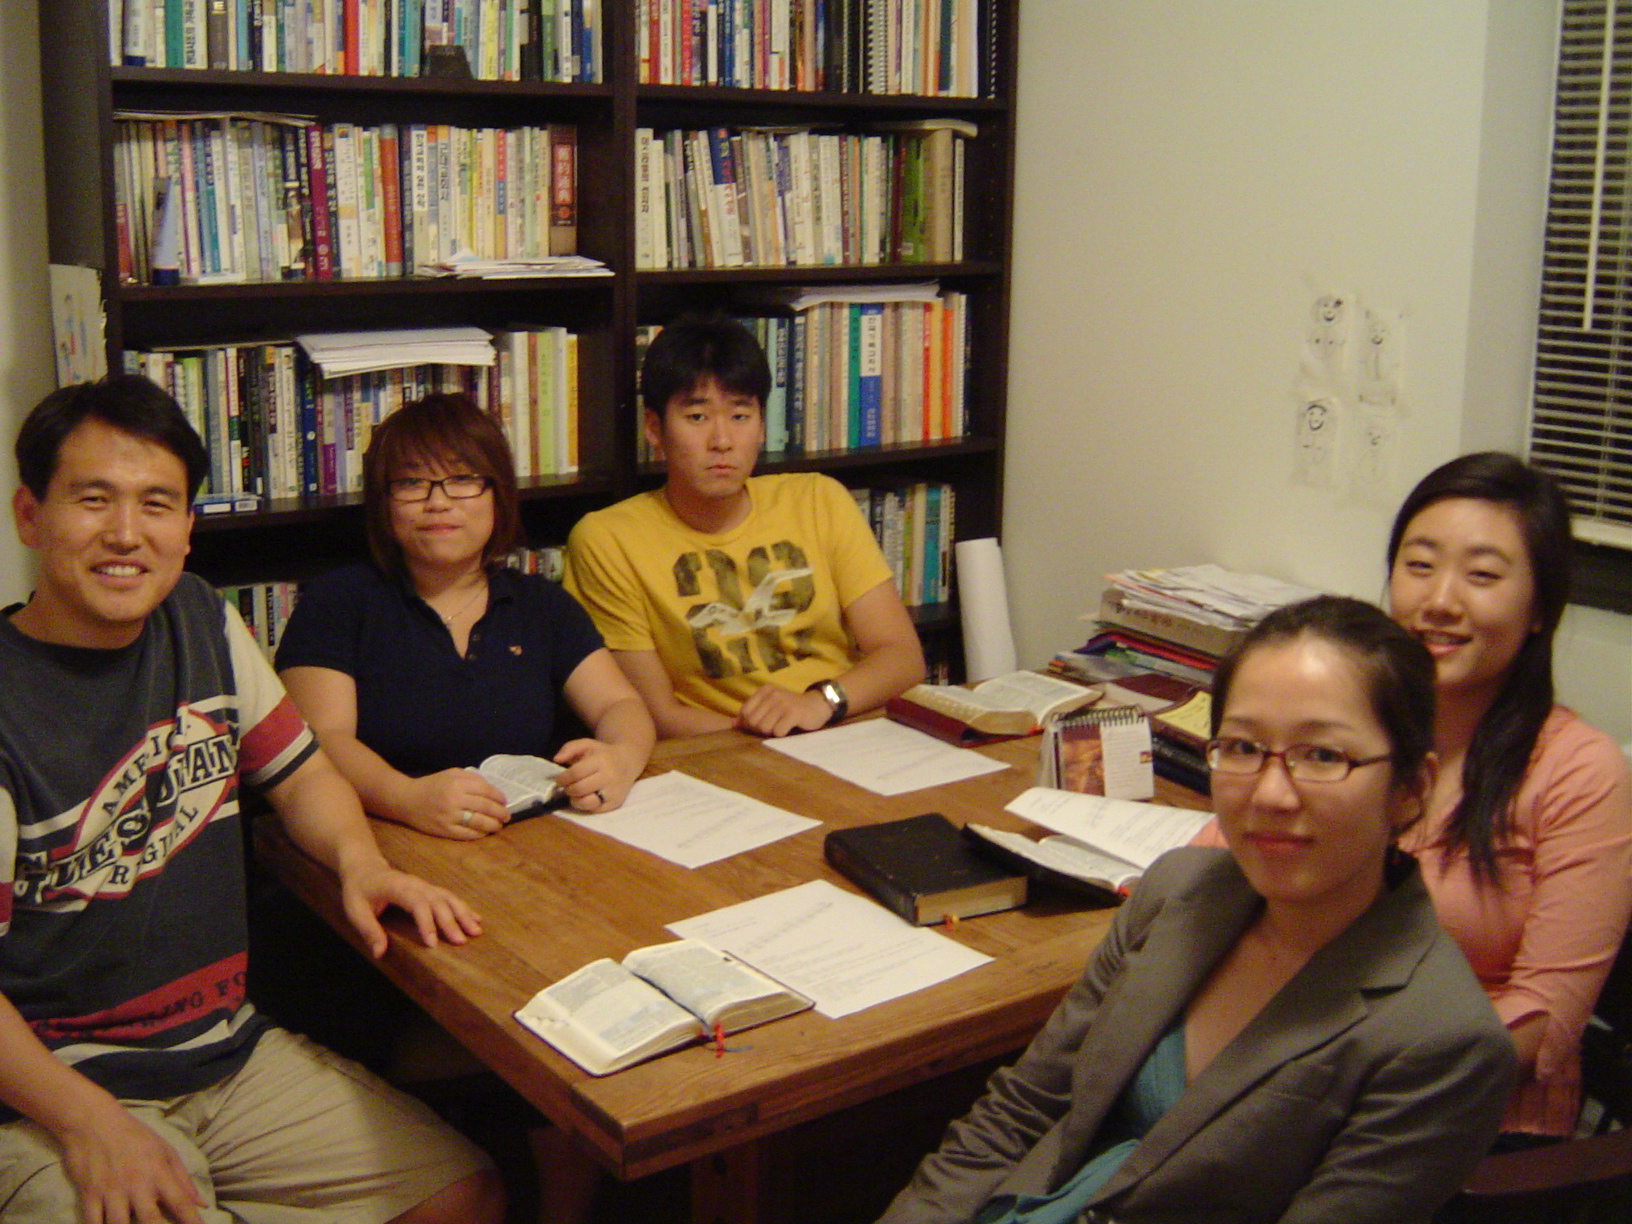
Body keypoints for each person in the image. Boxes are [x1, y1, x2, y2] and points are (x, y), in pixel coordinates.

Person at [0, 375, 504, 1224]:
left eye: (157, 504)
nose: (126, 533)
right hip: (48, 1090)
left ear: (187, 527)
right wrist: (90, 1124)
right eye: (93, 499)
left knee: (463, 1194)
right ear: (29, 514)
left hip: (222, 1053)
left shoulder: (197, 617)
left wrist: (361, 863)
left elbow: (302, 774)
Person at [878, 596, 1515, 1224]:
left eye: (1323, 756)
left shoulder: (1443, 1042)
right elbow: (1022, 1109)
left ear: (1412, 789)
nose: (1270, 794)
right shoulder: (1177, 890)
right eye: (1242, 748)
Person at [1386, 451, 1632, 1140]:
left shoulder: (1579, 772)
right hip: (1306, 1071)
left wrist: (1355, 1064)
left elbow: (1543, 1021)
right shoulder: (1359, 727)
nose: (1440, 600)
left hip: (1467, 1119)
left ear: (1538, 611)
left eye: (1483, 576)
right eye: (1419, 564)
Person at [276, 393, 654, 839]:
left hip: (531, 838)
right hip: (384, 835)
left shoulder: (541, 604)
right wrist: (405, 797)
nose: (438, 501)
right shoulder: (337, 602)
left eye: (462, 479)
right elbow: (323, 740)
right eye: (411, 482)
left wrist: (621, 758)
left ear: (498, 495)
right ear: (385, 503)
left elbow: (619, 704)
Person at [564, 313, 926, 737]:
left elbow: (902, 656)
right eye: (697, 417)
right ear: (654, 428)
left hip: (842, 728)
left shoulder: (817, 499)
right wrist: (772, 738)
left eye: (740, 416)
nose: (722, 441)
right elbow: (657, 715)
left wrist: (819, 702)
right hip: (724, 749)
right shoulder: (608, 540)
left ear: (761, 426)